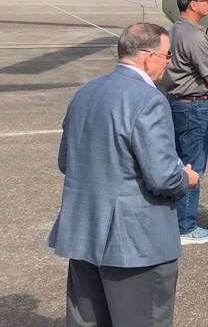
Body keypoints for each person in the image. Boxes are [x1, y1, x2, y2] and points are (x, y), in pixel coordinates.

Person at [48, 23, 199, 327]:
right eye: (166, 56)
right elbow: (163, 178)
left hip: (84, 231)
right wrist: (186, 178)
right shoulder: (149, 99)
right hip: (136, 243)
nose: (168, 63)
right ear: (147, 58)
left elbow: (67, 161)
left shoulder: (85, 91)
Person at [160, 0, 208, 244]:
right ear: (193, 4)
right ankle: (185, 227)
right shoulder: (195, 35)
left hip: (176, 101)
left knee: (177, 161)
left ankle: (173, 220)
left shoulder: (175, 29)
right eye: (206, 0)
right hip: (193, 104)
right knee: (193, 166)